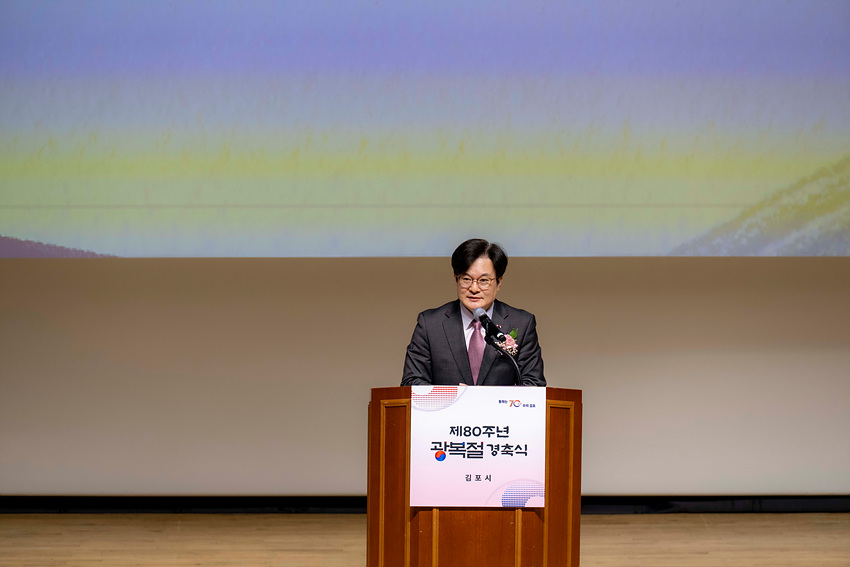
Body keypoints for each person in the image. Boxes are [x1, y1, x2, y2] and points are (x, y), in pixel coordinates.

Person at [401, 238, 545, 387]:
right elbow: (412, 382)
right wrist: (454, 396)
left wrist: (485, 398)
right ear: (456, 279)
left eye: (483, 280)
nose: (474, 288)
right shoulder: (430, 324)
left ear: (499, 282)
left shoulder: (522, 323)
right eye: (466, 279)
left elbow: (534, 384)